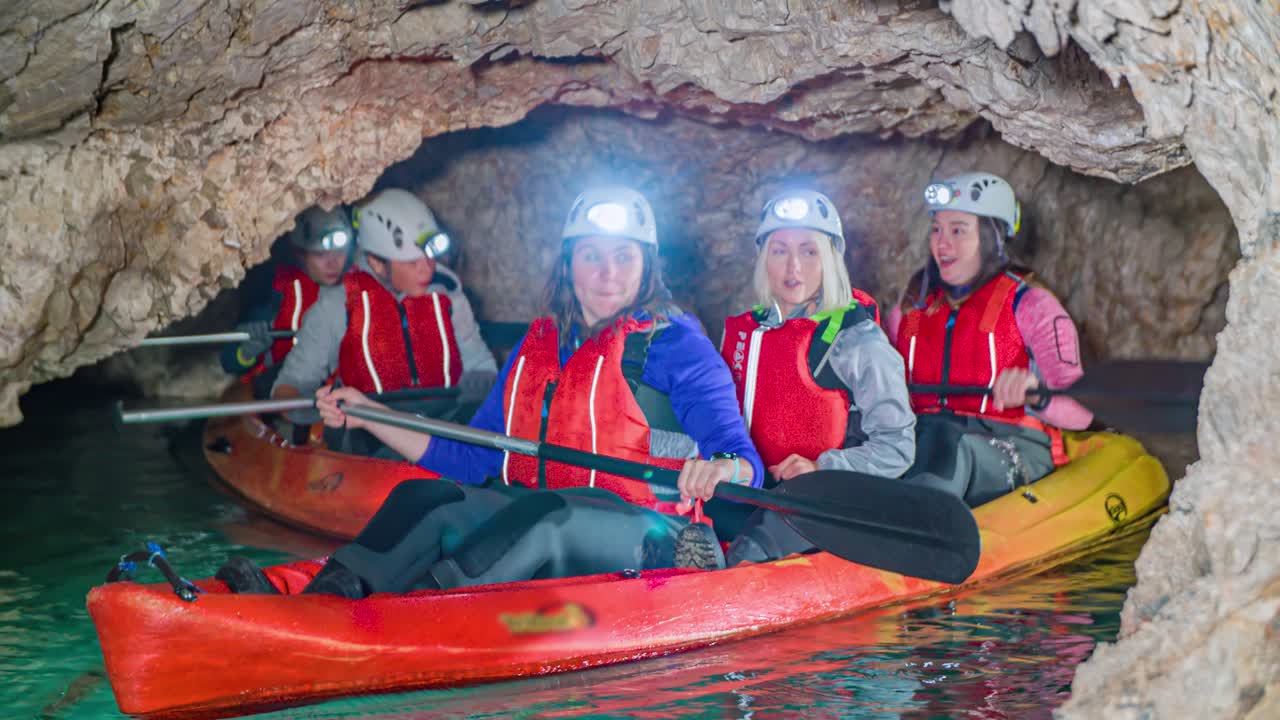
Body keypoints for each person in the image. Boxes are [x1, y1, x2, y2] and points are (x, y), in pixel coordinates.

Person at [216, 186, 764, 597]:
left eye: (624, 256)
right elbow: (471, 454)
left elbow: (744, 462)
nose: (608, 273)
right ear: (569, 264)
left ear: (646, 266)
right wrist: (371, 416)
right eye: (592, 255)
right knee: (426, 498)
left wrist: (720, 469)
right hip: (534, 510)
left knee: (547, 518)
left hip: (649, 534)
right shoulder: (539, 343)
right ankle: (324, 598)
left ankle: (415, 612)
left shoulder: (676, 344)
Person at [675, 189, 916, 569]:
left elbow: (897, 447)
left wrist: (823, 467)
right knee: (672, 532)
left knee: (747, 554)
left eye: (809, 251)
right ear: (763, 259)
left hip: (823, 502)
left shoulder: (859, 342)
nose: (793, 268)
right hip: (751, 490)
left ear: (830, 259)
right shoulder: (743, 334)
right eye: (779, 250)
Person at [886, 172, 1093, 506]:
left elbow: (1082, 414)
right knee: (921, 435)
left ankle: (915, 523)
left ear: (991, 236)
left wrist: (1036, 395)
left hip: (1011, 445)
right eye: (937, 229)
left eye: (958, 230)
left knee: (945, 439)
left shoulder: (1033, 306)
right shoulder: (908, 311)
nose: (942, 243)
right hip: (924, 438)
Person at [270, 188, 498, 455]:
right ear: (377, 263)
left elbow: (479, 362)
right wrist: (315, 407)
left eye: (430, 256)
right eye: (412, 262)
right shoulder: (336, 306)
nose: (427, 268)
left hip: (445, 427)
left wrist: (483, 383)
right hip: (369, 441)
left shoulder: (447, 293)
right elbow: (288, 388)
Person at [219, 205, 354, 398]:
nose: (332, 263)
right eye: (320, 255)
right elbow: (229, 361)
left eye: (339, 252)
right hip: (286, 397)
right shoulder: (275, 295)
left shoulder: (361, 290)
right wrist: (246, 352)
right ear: (300, 253)